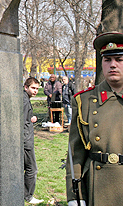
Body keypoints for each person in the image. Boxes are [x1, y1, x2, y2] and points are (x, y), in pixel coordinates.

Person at [66, 32, 123, 206]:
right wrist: (75, 196)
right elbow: (75, 153)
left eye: (119, 59)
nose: (112, 65)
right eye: (107, 60)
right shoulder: (85, 101)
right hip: (98, 187)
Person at [23, 77, 44, 205]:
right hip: (26, 141)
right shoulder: (25, 100)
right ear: (26, 87)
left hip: (25, 139)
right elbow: (22, 121)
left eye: (37, 88)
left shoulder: (24, 98)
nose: (35, 91)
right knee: (32, 168)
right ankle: (28, 196)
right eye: (33, 88)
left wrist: (31, 117)